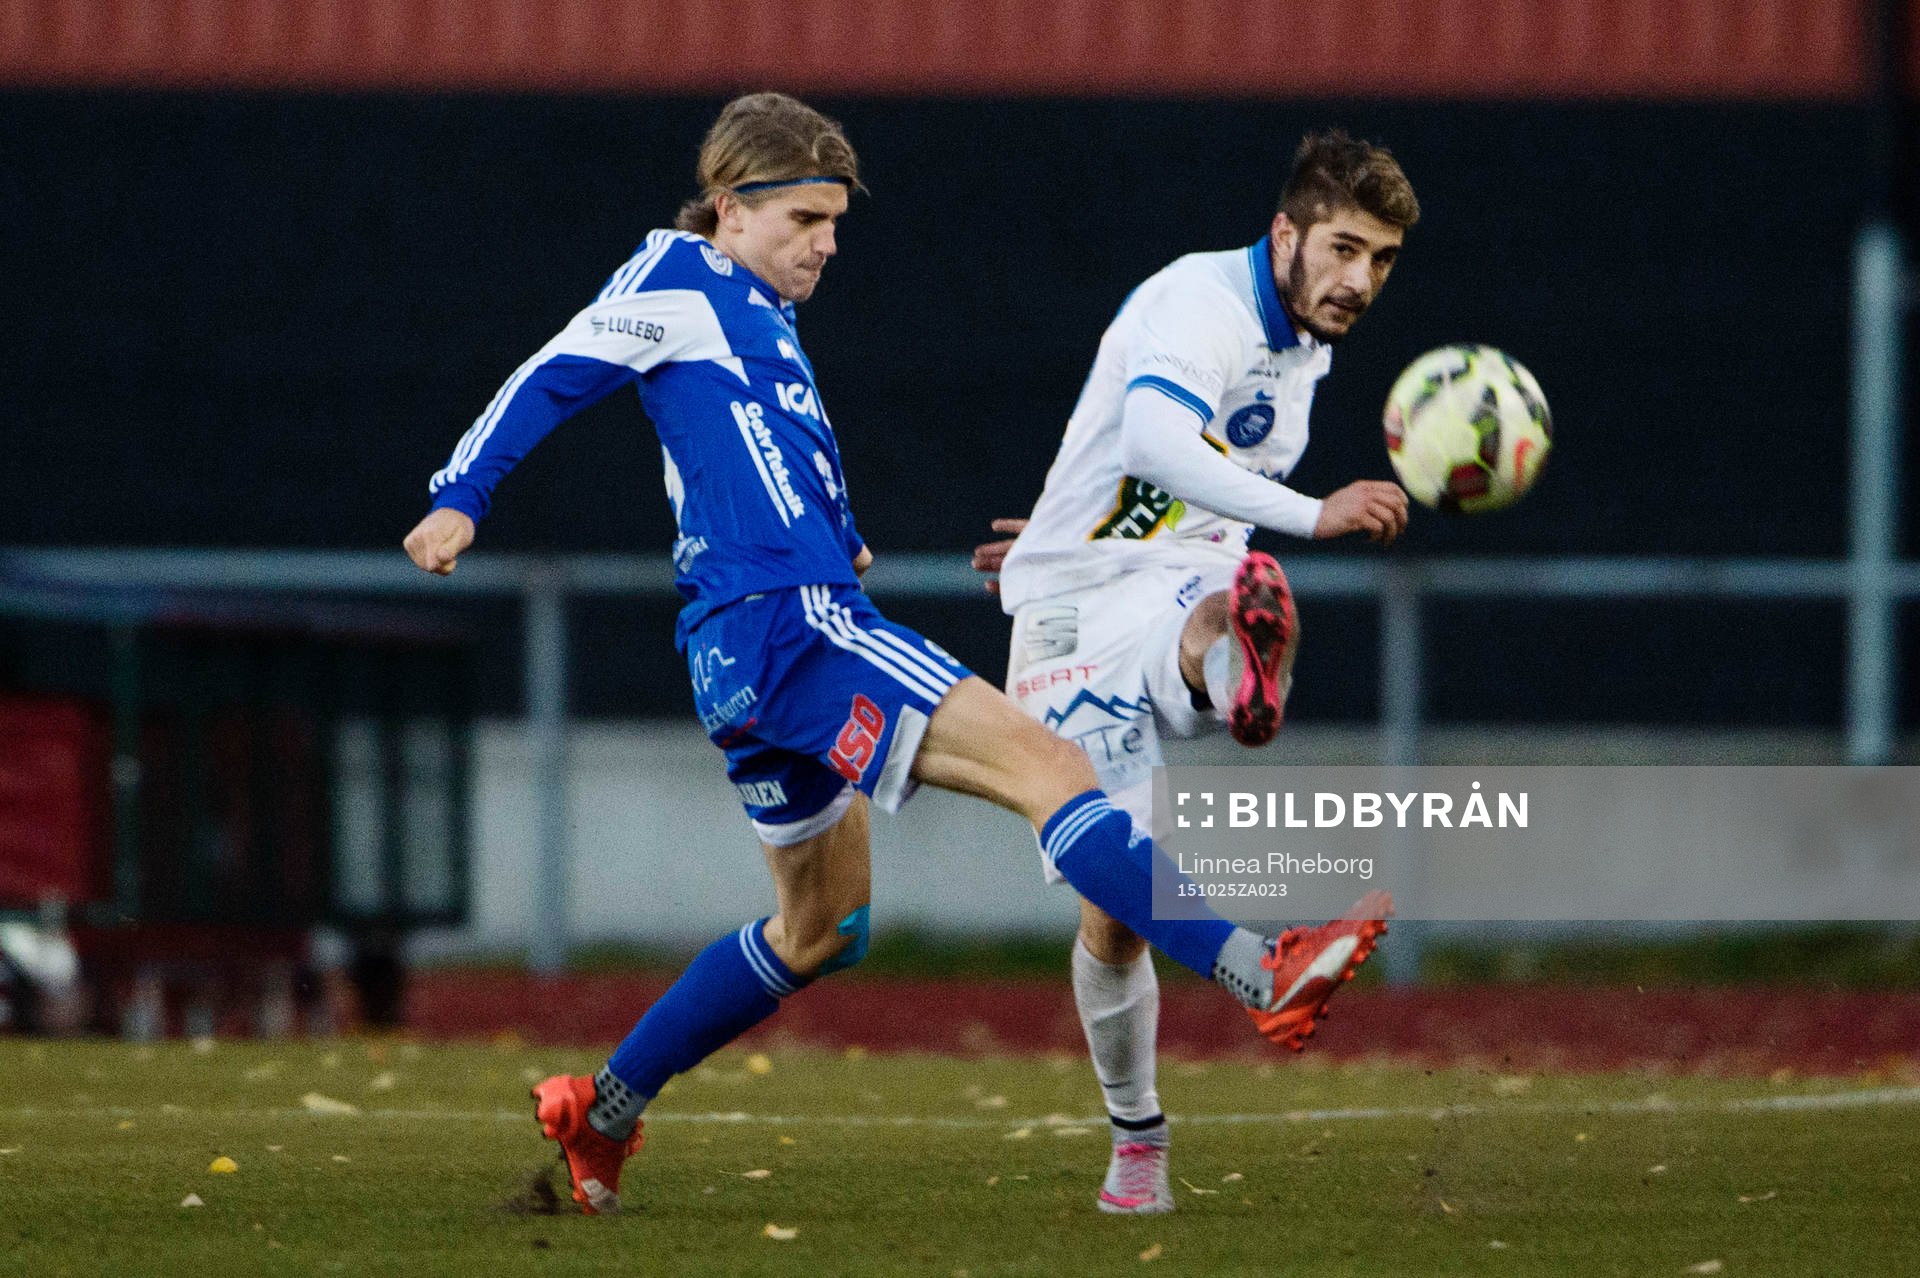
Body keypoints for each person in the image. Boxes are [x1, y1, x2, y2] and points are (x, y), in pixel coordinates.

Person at [401, 94, 1390, 1217]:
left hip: (742, 650)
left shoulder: (749, 312)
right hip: (796, 625)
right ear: (730, 207)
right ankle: (1261, 969)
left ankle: (603, 1112)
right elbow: (554, 370)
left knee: (822, 928)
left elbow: (732, 461)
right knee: (1056, 775)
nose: (826, 243)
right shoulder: (678, 280)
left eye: (834, 221)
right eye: (806, 219)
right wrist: (460, 498)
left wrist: (840, 530)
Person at [969, 129, 1417, 1214]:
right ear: (1286, 233)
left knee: (1227, 595)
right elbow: (1164, 445)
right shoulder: (1201, 307)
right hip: (1073, 612)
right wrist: (1316, 513)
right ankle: (1139, 1147)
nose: (1360, 280)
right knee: (1114, 903)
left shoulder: (1306, 346)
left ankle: (1235, 670)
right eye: (1345, 248)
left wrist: (1082, 521)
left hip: (1167, 576)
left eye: (1383, 259)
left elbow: (1174, 482)